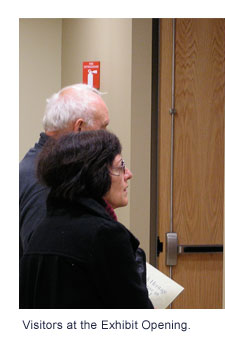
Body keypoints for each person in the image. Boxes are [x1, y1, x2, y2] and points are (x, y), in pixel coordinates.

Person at [19, 130, 153, 309]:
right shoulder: (105, 235)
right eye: (120, 166)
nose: (128, 174)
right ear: (97, 174)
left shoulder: (42, 230)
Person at [19, 84, 109, 258]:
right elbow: (44, 260)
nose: (107, 138)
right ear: (80, 128)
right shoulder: (47, 181)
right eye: (103, 128)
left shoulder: (34, 165)